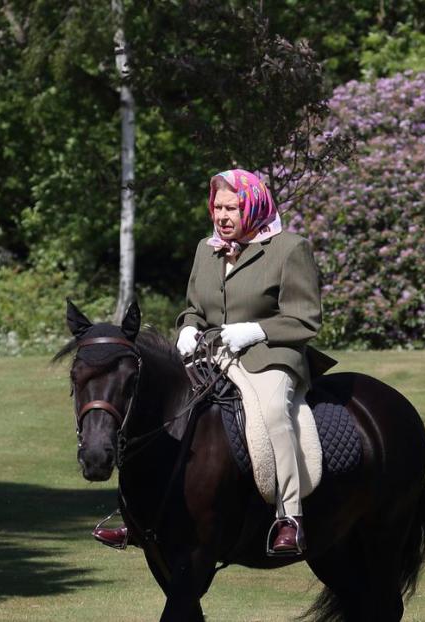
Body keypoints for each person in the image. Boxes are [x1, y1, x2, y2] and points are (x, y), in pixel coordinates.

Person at [93, 169, 327, 556]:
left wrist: (256, 331)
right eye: (217, 207)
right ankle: (134, 517)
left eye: (232, 208)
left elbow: (305, 319)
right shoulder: (208, 247)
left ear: (252, 205)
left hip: (270, 356)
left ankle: (290, 517)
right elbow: (194, 309)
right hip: (211, 355)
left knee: (271, 412)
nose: (222, 216)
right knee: (154, 406)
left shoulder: (290, 248)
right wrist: (187, 327)